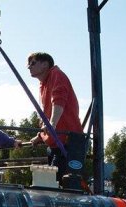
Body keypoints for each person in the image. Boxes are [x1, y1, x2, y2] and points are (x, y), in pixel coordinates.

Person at [27, 52, 82, 183]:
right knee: (51, 180)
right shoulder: (44, 84)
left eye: (33, 63)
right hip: (55, 142)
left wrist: (52, 124)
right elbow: (47, 114)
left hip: (67, 141)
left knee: (58, 181)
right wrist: (40, 136)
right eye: (28, 65)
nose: (29, 67)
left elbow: (58, 100)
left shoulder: (56, 75)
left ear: (45, 64)